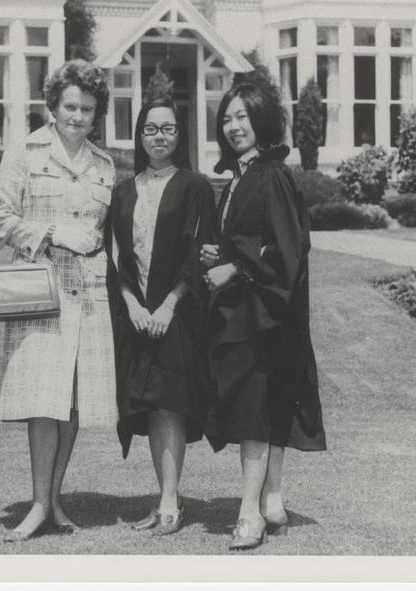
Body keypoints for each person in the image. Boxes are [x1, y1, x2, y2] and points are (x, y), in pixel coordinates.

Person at [0, 59, 116, 542]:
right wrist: (53, 233)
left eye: (86, 108)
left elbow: (105, 234)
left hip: (91, 295)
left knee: (74, 403)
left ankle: (55, 497)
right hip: (41, 290)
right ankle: (39, 503)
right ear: (52, 106)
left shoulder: (104, 165)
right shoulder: (24, 152)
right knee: (44, 400)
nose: (77, 116)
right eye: (69, 106)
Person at [199, 80, 326, 551]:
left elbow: (288, 247)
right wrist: (222, 253)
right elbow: (259, 238)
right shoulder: (241, 176)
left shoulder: (271, 173)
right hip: (256, 311)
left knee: (254, 411)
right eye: (228, 118)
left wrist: (235, 267)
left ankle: (248, 513)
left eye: (243, 117)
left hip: (266, 313)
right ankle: (272, 500)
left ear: (262, 121)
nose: (234, 126)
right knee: (265, 406)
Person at [106, 98, 216, 537]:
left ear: (180, 134)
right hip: (137, 314)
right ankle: (165, 497)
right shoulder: (124, 191)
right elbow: (116, 257)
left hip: (178, 314)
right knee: (151, 404)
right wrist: (133, 305)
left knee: (171, 402)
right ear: (139, 135)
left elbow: (199, 251)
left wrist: (168, 305)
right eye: (150, 129)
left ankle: (170, 501)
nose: (159, 137)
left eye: (168, 129)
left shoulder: (195, 187)